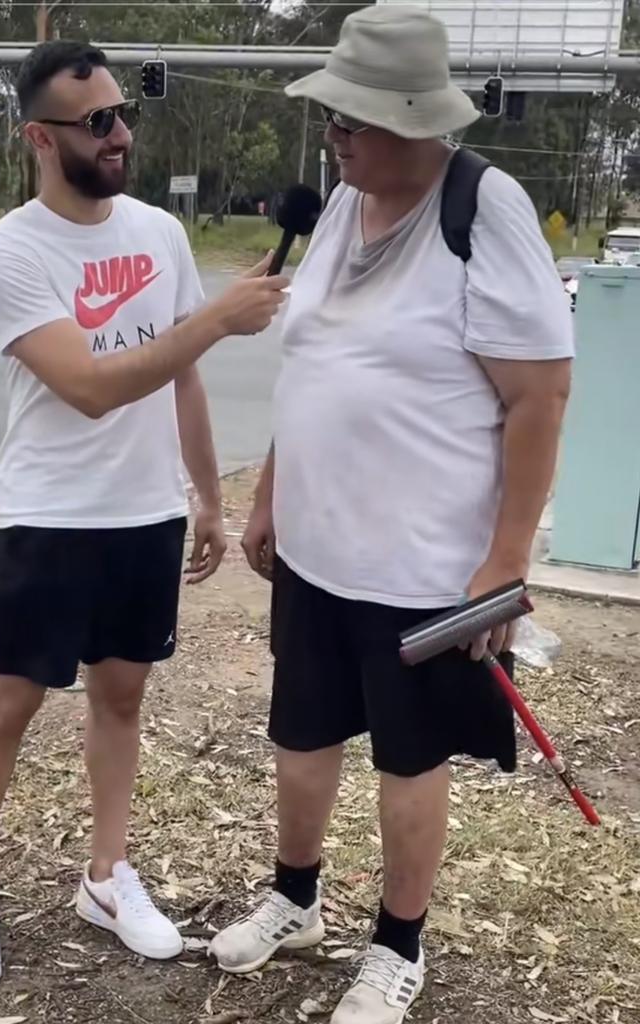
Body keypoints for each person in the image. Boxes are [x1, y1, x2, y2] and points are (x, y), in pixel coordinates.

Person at [209, 7, 573, 1023]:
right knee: (302, 734)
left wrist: (504, 563)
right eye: (331, 113)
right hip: (319, 553)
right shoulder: (339, 203)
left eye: (353, 117)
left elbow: (540, 395)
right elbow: (317, 361)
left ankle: (396, 947)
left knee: (408, 760)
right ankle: (296, 896)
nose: (334, 131)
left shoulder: (480, 207)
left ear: (417, 120)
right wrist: (272, 490)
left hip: (425, 567)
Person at [0, 40, 288, 989]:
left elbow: (178, 373)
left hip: (142, 517)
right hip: (49, 513)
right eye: (96, 122)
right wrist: (215, 317)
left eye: (121, 114)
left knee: (121, 697)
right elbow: (91, 387)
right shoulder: (9, 251)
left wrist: (206, 499)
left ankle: (107, 875)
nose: (120, 134)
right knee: (9, 702)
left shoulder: (158, 234)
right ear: (41, 140)